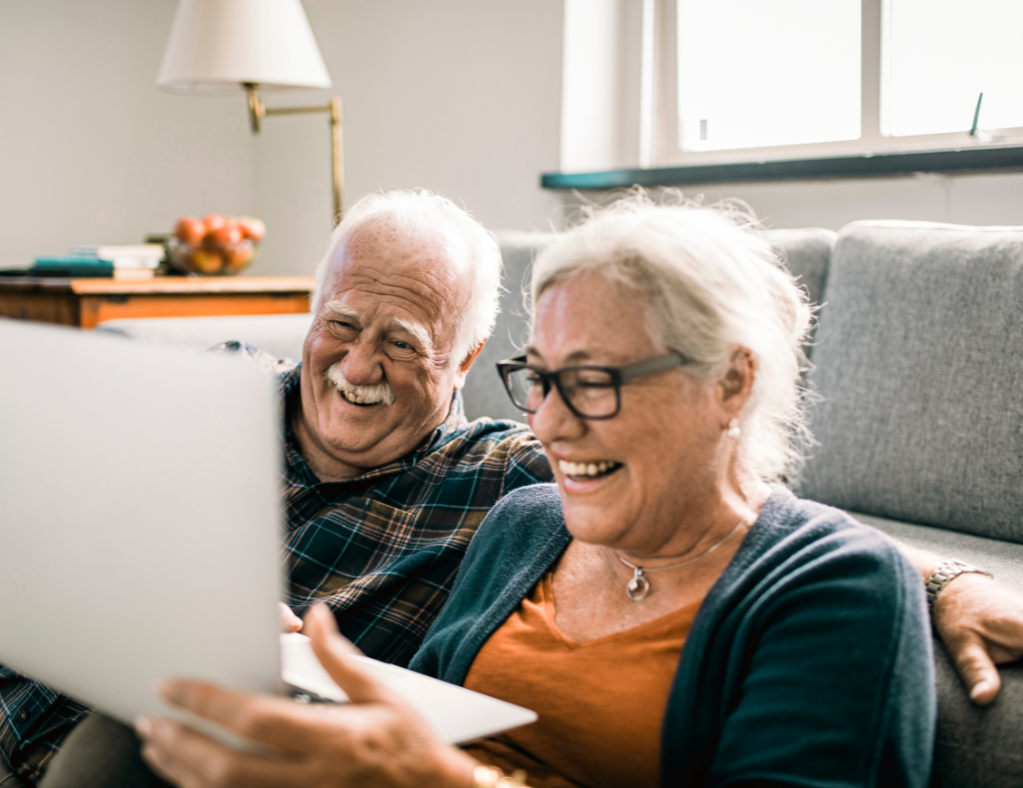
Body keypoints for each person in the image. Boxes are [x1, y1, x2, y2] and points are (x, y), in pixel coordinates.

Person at [19, 193, 1023, 786]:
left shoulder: (830, 588)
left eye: (591, 380)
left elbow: (790, 539)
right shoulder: (528, 519)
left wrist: (948, 578)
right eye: (539, 380)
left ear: (733, 382)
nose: (547, 421)